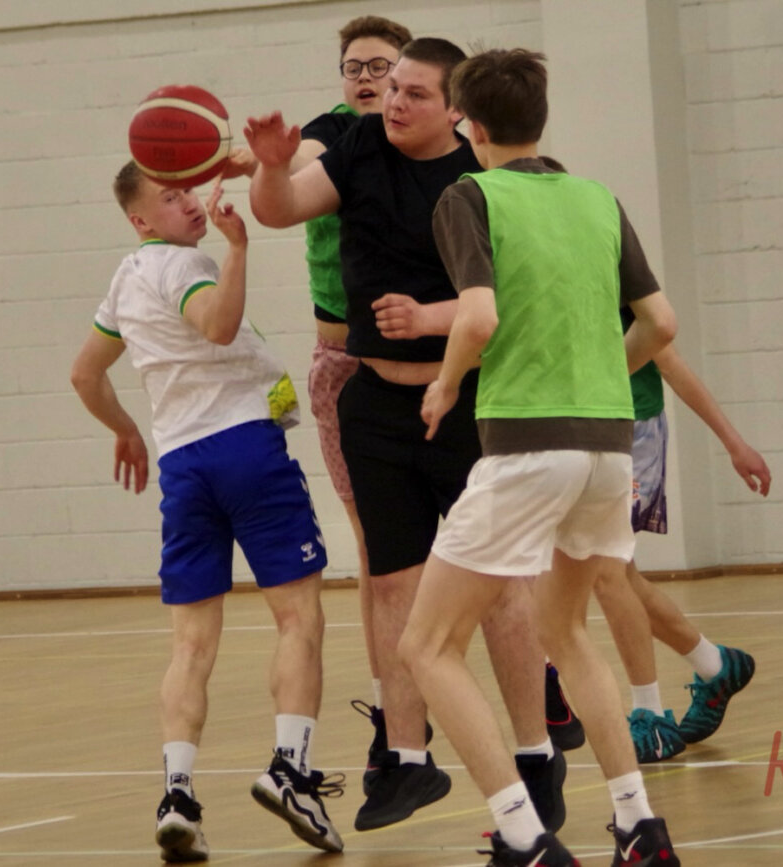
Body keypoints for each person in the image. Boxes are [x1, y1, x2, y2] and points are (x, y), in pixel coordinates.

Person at [245, 37, 557, 833]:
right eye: (392, 89)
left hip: (471, 400)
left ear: (455, 110)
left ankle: (535, 752)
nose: (393, 102)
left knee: (501, 587)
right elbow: (277, 208)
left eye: (414, 93)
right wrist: (273, 167)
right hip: (375, 403)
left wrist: (431, 318)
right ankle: (409, 758)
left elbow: (519, 296)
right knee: (391, 583)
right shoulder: (358, 148)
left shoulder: (481, 178)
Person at [398, 48, 683, 866]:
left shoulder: (469, 194)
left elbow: (477, 318)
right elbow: (660, 324)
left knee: (426, 646)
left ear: (469, 125)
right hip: (607, 446)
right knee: (565, 629)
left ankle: (523, 836)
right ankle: (638, 823)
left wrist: (446, 383)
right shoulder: (598, 198)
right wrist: (598, 379)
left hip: (528, 446)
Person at [70, 164, 344, 861]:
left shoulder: (125, 279)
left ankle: (178, 797)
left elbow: (85, 373)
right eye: (170, 197)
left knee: (190, 645)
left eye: (188, 190)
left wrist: (126, 430)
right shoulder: (186, 265)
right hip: (244, 451)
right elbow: (219, 326)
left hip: (183, 467)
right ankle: (291, 771)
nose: (190, 203)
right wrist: (239, 249)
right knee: (300, 618)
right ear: (140, 220)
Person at [223, 12, 417, 792]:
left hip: (435, 361)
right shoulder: (333, 135)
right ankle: (391, 711)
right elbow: (293, 158)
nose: (365, 78)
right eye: (353, 67)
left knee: (476, 545)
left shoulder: (434, 142)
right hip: (346, 363)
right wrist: (248, 158)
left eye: (380, 65)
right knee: (377, 549)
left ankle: (539, 683)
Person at [593, 342, 771, 762]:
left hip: (632, 430)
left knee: (606, 571)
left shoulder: (626, 298)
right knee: (615, 574)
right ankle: (716, 666)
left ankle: (651, 713)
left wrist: (734, 443)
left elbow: (669, 358)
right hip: (583, 427)